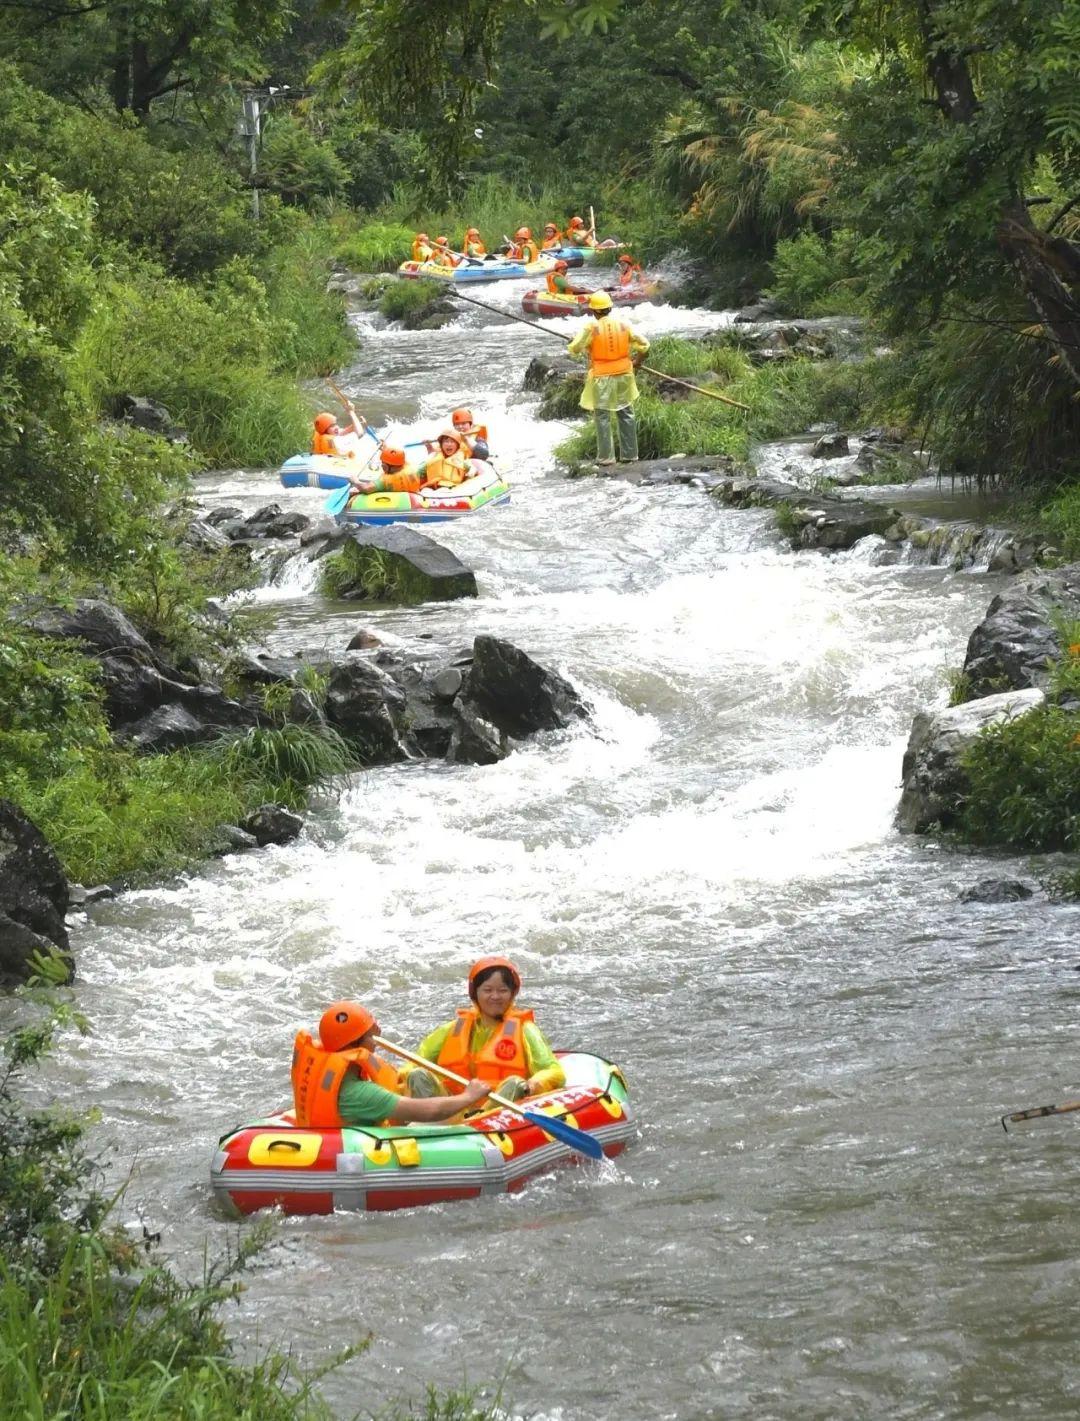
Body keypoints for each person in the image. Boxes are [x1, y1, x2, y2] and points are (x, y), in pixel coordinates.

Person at [292, 1001, 490, 1128]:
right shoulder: (361, 1093)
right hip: (357, 1151)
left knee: (417, 1076)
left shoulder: (332, 1072)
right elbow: (431, 1112)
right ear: (355, 1043)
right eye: (371, 1033)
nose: (378, 1035)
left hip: (338, 1131)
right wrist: (469, 1096)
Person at [403, 957, 566, 1104]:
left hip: (496, 1110)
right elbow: (414, 1062)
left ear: (512, 993)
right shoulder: (452, 1029)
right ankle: (429, 1126)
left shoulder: (526, 1030)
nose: (495, 996)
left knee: (515, 1083)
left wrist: (532, 1084)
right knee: (417, 1074)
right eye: (487, 990)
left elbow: (554, 1071)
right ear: (475, 994)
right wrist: (405, 1076)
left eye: (502, 990)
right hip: (451, 1108)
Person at [566, 291, 650, 466]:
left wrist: (575, 342)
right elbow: (644, 346)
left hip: (602, 376)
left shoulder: (591, 327)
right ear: (609, 308)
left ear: (594, 311)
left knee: (602, 416)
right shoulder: (624, 325)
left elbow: (574, 348)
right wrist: (637, 362)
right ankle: (630, 455)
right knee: (626, 413)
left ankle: (606, 458)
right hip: (624, 374)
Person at [350, 429, 472, 495]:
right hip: (426, 487)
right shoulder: (415, 466)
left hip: (447, 489)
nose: (449, 444)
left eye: (452, 442)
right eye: (446, 441)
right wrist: (385, 448)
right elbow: (400, 460)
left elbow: (366, 488)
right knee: (426, 491)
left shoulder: (387, 479)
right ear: (441, 444)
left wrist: (355, 481)